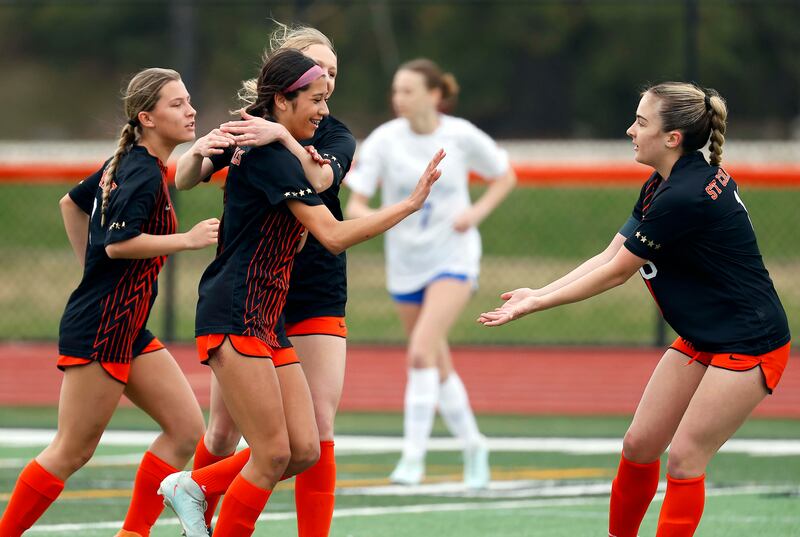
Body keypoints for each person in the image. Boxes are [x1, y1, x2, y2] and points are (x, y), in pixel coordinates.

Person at [478, 82, 791, 537]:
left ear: (672, 138)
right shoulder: (664, 183)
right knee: (640, 445)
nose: (630, 130)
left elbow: (616, 274)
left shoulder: (683, 196)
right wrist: (538, 291)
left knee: (684, 459)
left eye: (641, 122)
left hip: (749, 341)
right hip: (704, 335)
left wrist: (537, 305)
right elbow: (609, 255)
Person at [159, 48, 444, 537]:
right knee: (270, 453)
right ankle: (193, 496)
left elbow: (323, 178)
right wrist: (410, 204)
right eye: (316, 96)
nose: (325, 108)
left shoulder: (295, 141)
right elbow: (331, 234)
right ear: (282, 100)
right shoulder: (266, 152)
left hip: (265, 317)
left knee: (305, 448)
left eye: (329, 91)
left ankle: (196, 487)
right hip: (235, 311)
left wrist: (288, 140)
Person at [0, 68, 219, 537]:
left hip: (127, 327)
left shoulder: (139, 163)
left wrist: (91, 272)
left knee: (185, 430)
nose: (190, 109)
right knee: (73, 450)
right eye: (177, 103)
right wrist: (187, 240)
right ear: (148, 117)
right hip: (101, 327)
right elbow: (118, 246)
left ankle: (132, 534)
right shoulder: (139, 172)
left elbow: (70, 204)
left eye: (188, 100)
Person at [162, 23, 355, 537]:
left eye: (332, 73)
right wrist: (203, 147)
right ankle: (184, 508)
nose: (326, 82)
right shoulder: (254, 126)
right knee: (224, 431)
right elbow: (183, 176)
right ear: (286, 81)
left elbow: (322, 179)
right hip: (252, 290)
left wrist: (285, 136)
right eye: (316, 71)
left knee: (313, 430)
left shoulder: (331, 131)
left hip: (311, 284)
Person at [345, 58, 516, 489]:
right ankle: (475, 445)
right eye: (395, 90)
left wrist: (474, 213)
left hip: (452, 257)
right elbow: (357, 204)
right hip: (405, 262)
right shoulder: (385, 140)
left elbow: (504, 174)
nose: (398, 98)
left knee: (421, 352)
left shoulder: (459, 134)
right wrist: (380, 215)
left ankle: (412, 458)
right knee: (435, 363)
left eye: (408, 90)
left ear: (434, 94)